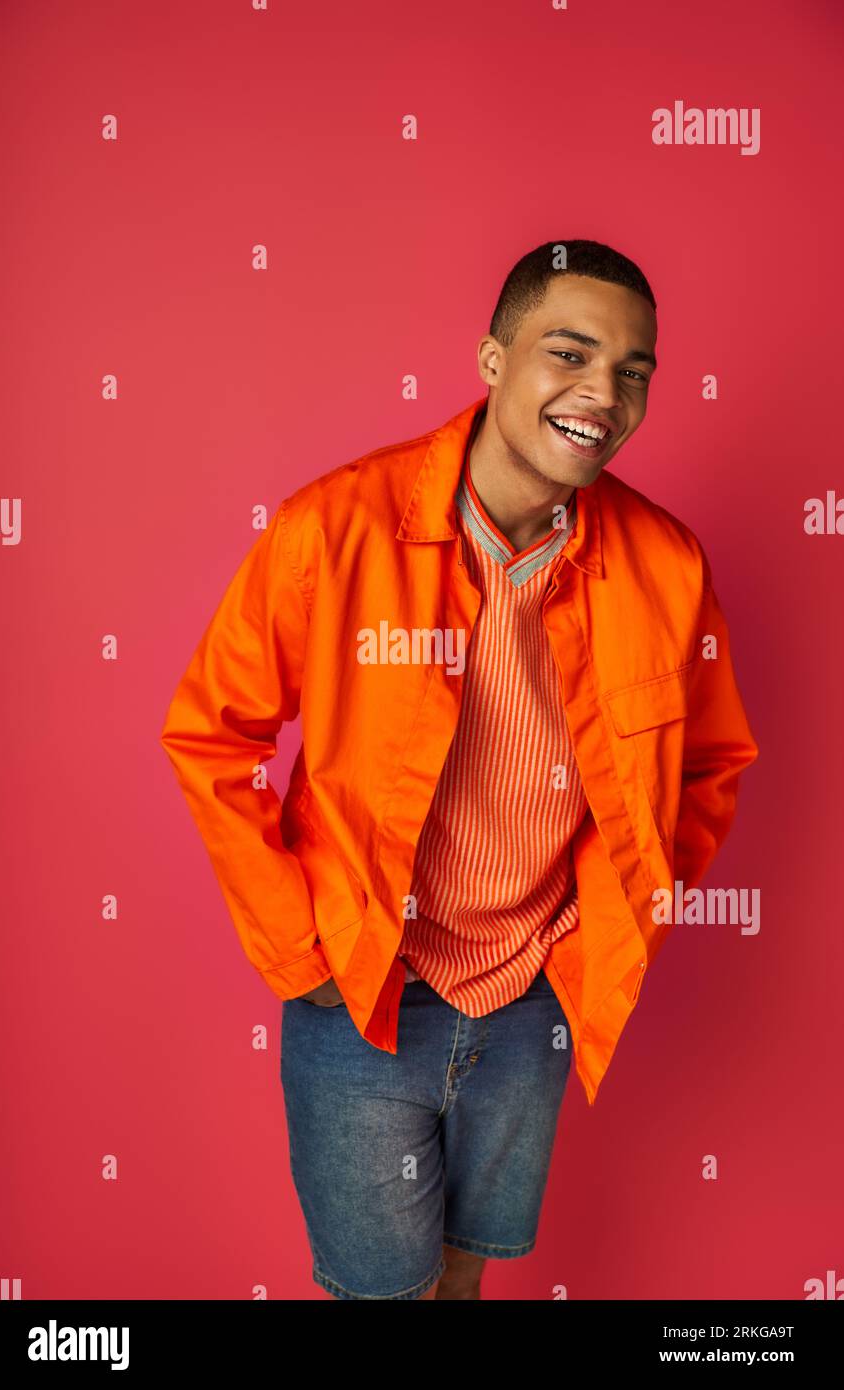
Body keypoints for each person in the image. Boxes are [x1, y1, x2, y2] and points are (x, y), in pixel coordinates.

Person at [160, 239, 759, 1300]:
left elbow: (711, 759)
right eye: (567, 353)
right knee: (377, 1291)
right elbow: (210, 733)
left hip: (532, 997)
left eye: (632, 371)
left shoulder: (666, 564)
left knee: (464, 1279)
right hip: (361, 991)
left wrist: (609, 915)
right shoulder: (332, 529)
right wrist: (301, 945)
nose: (601, 394)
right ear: (491, 358)